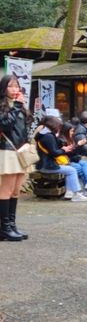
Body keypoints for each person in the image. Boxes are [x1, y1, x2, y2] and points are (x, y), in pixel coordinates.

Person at [0, 75, 32, 241]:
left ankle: (11, 225)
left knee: (16, 190)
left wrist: (22, 107)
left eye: (16, 86)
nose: (14, 90)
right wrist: (17, 106)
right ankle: (4, 227)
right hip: (7, 151)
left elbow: (26, 126)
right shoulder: (3, 105)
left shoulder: (19, 105)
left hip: (21, 151)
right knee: (6, 189)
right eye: (10, 86)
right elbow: (5, 124)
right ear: (4, 88)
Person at [34, 116, 87, 202]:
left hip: (44, 164)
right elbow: (54, 152)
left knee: (70, 170)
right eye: (59, 126)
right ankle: (76, 193)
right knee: (72, 170)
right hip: (48, 166)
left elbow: (53, 149)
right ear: (54, 125)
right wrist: (64, 150)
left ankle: (69, 192)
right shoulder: (48, 136)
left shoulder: (43, 135)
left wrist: (63, 148)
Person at [60, 122, 87, 195]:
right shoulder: (62, 140)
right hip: (67, 160)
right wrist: (78, 145)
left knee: (86, 163)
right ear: (66, 131)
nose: (72, 133)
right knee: (81, 167)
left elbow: (74, 151)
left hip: (74, 159)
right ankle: (83, 189)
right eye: (71, 131)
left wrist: (78, 146)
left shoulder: (70, 138)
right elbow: (67, 152)